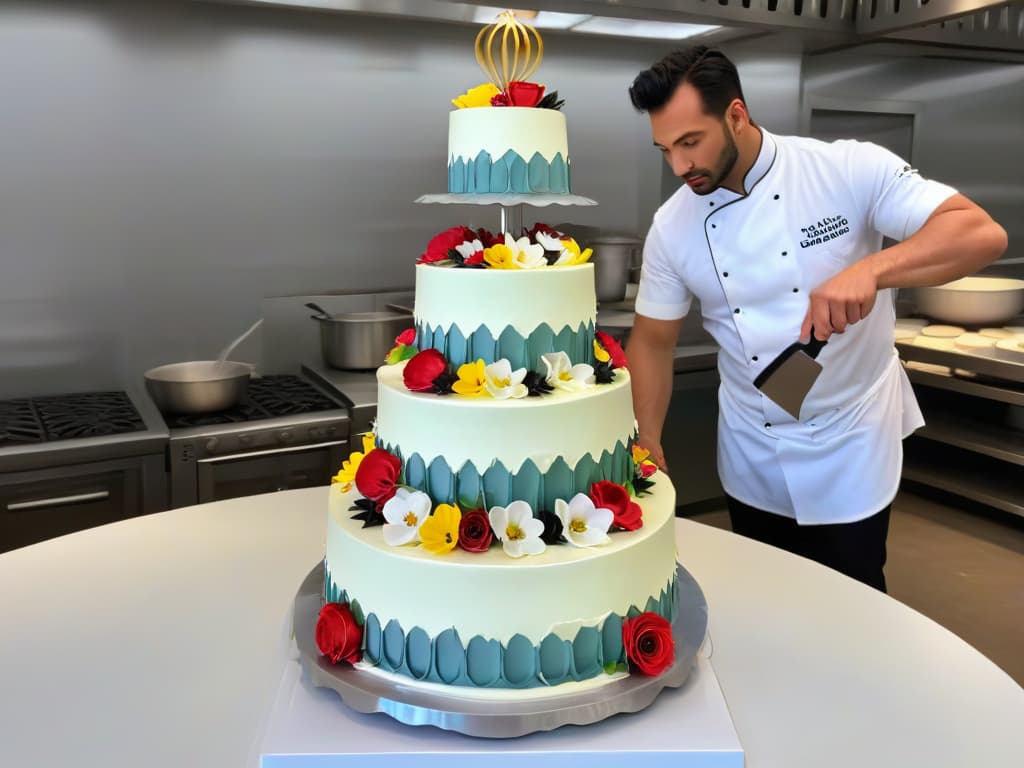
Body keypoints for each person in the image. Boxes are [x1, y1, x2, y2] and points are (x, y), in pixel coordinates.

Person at [626, 47, 1007, 592]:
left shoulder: (845, 169)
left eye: (691, 142)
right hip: (750, 442)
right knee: (767, 593)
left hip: (849, 437)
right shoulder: (673, 225)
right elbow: (654, 340)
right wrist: (649, 438)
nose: (679, 167)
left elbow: (980, 233)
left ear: (736, 115)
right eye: (665, 148)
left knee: (853, 594)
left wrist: (874, 269)